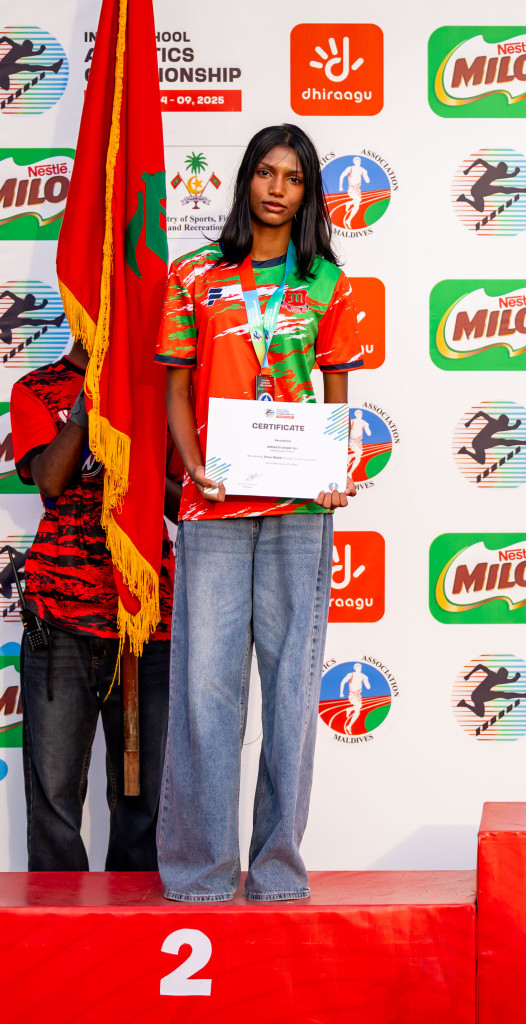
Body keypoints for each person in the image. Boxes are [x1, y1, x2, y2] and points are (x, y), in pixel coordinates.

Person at [154, 123, 362, 902]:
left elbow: (334, 386)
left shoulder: (327, 282)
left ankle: (277, 869)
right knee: (206, 691)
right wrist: (193, 464)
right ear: (245, 181)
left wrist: (335, 464)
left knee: (289, 689)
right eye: (265, 173)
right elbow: (177, 384)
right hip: (213, 503)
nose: (277, 188)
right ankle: (201, 872)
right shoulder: (195, 276)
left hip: (299, 502)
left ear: (308, 192)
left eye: (294, 177)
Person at [11, 340, 177, 870]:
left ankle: (135, 931)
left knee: (143, 796)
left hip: (147, 618)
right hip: (57, 621)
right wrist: (87, 409)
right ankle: (59, 938)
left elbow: (179, 498)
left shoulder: (160, 388)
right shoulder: (36, 389)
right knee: (55, 796)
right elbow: (50, 479)